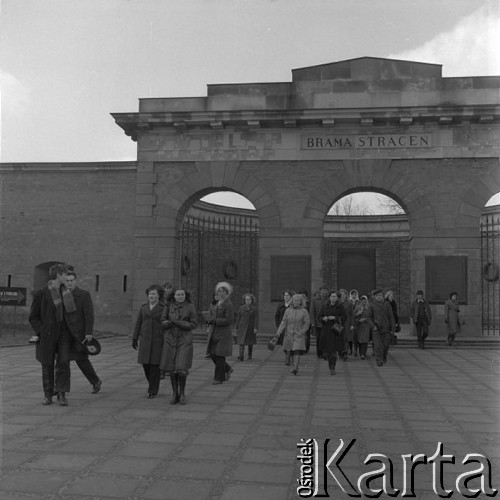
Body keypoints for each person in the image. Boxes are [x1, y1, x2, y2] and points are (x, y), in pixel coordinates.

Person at [29, 263, 73, 406]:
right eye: (65, 274)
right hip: (47, 334)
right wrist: (41, 330)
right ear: (58, 275)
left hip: (64, 333)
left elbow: (72, 314)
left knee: (64, 362)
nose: (67, 277)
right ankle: (48, 394)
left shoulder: (67, 292)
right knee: (47, 364)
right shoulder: (41, 293)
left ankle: (61, 393)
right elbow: (33, 317)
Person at [65, 269, 102, 394]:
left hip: (79, 335)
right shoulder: (62, 295)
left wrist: (88, 333)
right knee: (62, 362)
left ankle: (95, 381)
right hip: (65, 335)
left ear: (75, 281)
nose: (69, 283)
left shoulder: (84, 295)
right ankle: (61, 388)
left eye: (71, 280)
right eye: (67, 281)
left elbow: (89, 315)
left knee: (82, 360)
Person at [160, 287, 198, 404]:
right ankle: (174, 393)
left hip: (184, 339)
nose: (180, 296)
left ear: (185, 295)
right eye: (178, 294)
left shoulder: (190, 306)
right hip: (170, 339)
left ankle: (182, 393)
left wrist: (178, 323)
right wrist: (168, 323)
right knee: (172, 369)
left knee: (181, 369)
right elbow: (163, 320)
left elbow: (194, 323)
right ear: (174, 296)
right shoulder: (168, 305)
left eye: (182, 294)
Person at [132, 284, 165, 398]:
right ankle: (152, 385)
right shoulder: (143, 307)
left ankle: (152, 390)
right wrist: (134, 338)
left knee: (155, 367)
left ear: (159, 296)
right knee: (145, 365)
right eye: (150, 294)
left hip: (157, 340)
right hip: (145, 340)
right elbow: (138, 323)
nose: (151, 296)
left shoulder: (163, 308)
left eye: (153, 294)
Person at [206, 281, 234, 384]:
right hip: (214, 332)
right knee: (212, 354)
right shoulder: (216, 303)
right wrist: (208, 318)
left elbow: (229, 320)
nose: (220, 293)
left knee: (220, 355)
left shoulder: (228, 304)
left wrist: (215, 321)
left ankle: (219, 378)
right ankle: (227, 368)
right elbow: (212, 314)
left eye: (222, 291)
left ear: (227, 293)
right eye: (219, 291)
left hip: (223, 334)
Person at [275, 293, 310, 375]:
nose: (296, 302)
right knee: (290, 350)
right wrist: (278, 333)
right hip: (288, 334)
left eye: (298, 301)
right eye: (295, 300)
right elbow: (283, 322)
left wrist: (302, 332)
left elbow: (307, 323)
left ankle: (295, 367)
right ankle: (293, 365)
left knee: (296, 351)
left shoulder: (304, 311)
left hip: (298, 334)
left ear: (301, 302)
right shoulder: (288, 310)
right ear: (292, 301)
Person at [319, 291, 347, 375]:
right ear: (329, 297)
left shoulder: (340, 307)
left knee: (334, 350)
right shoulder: (325, 306)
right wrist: (323, 319)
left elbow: (345, 317)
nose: (333, 298)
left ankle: (332, 367)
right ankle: (330, 364)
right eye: (331, 296)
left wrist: (335, 317)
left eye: (335, 296)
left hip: (336, 330)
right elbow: (319, 316)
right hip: (326, 330)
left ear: (337, 298)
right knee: (329, 350)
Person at [369, 288, 396, 366]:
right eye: (377, 296)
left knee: (386, 345)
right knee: (377, 346)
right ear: (374, 297)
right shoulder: (372, 305)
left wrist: (393, 328)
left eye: (380, 295)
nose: (379, 297)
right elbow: (368, 317)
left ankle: (384, 357)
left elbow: (391, 317)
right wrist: (373, 326)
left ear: (382, 296)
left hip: (386, 329)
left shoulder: (387, 304)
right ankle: (379, 360)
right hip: (376, 329)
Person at [234, 293, 258, 361]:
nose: (248, 301)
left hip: (250, 328)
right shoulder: (241, 308)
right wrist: (236, 327)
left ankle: (250, 355)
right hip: (242, 327)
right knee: (241, 342)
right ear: (244, 300)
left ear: (251, 300)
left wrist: (255, 327)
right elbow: (238, 318)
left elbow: (256, 318)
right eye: (246, 300)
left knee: (250, 342)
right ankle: (241, 356)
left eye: (249, 300)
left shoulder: (254, 309)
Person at [274, 290, 294, 364]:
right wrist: (278, 325)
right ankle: (287, 355)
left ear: (291, 297)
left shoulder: (293, 305)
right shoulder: (280, 305)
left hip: (290, 326)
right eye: (285, 295)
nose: (286, 297)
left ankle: (289, 356)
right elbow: (276, 316)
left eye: (288, 295)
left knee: (290, 342)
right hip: (282, 327)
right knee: (284, 343)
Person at [309, 286, 329, 359]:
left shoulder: (329, 299)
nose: (324, 292)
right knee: (319, 339)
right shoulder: (314, 300)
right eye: (323, 290)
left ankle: (325, 353)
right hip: (318, 323)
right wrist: (313, 322)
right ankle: (319, 353)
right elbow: (312, 312)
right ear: (320, 291)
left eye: (325, 290)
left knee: (326, 339)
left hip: (327, 324)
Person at [354, 295, 372, 360]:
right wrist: (358, 315)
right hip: (359, 326)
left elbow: (371, 316)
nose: (364, 302)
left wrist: (366, 319)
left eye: (365, 301)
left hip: (366, 326)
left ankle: (363, 354)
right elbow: (353, 316)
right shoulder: (357, 308)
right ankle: (360, 352)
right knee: (359, 340)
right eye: (362, 301)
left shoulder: (369, 308)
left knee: (365, 340)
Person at [345, 289, 359, 356]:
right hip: (350, 321)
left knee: (355, 337)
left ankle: (355, 350)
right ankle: (350, 349)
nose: (354, 295)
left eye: (355, 294)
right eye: (353, 294)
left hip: (357, 321)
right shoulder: (348, 302)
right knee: (349, 337)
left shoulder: (358, 302)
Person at [298, 289, 311, 353]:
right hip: (299, 322)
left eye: (304, 295)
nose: (302, 296)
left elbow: (309, 312)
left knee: (306, 336)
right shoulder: (297, 303)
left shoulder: (309, 303)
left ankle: (305, 348)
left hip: (306, 322)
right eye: (301, 294)